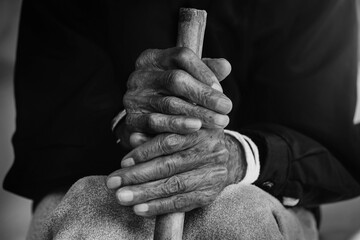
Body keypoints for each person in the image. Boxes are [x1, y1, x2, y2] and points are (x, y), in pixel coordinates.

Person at [3, 0, 360, 239]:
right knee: (92, 221)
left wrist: (236, 155)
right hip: (93, 172)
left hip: (263, 190)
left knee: (241, 219)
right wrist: (132, 123)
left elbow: (329, 147)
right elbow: (49, 133)